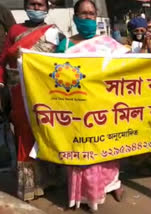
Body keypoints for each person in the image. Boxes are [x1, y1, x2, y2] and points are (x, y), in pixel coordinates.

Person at [56, 0, 125, 211]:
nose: (88, 18)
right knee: (83, 155)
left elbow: (127, 71)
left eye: (91, 14)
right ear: (75, 17)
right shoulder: (65, 46)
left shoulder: (109, 44)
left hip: (105, 110)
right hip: (78, 112)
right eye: (83, 14)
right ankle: (86, 195)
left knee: (108, 152)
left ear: (96, 17)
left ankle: (112, 185)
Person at [0, 0, 64, 201]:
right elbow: (3, 59)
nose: (36, 8)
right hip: (19, 91)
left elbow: (65, 60)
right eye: (32, 4)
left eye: (40, 5)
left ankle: (51, 179)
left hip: (47, 92)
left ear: (47, 8)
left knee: (47, 132)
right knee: (24, 135)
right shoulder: (15, 30)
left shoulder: (55, 33)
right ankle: (30, 186)